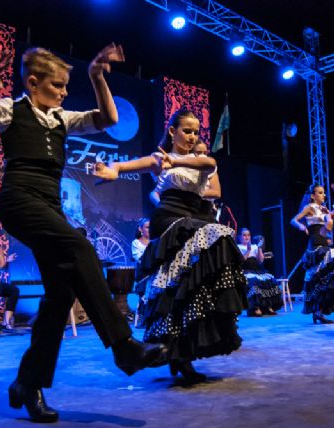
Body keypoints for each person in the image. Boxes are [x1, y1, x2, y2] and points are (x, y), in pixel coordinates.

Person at [0, 44, 165, 422]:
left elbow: (108, 118)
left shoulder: (62, 118)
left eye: (65, 87)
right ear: (33, 82)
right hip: (19, 200)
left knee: (60, 295)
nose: (63, 93)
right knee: (80, 246)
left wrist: (97, 77)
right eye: (57, 86)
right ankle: (124, 345)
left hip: (48, 205)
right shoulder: (10, 110)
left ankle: (28, 383)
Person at [95, 108, 247, 385]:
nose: (191, 136)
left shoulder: (198, 159)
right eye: (186, 130)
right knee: (214, 239)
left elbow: (210, 165)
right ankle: (178, 355)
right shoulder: (159, 158)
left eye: (195, 132)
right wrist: (112, 169)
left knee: (190, 287)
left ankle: (182, 355)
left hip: (196, 215)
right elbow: (128, 165)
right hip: (171, 216)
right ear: (172, 131)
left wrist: (175, 163)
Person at [291, 184, 334, 324]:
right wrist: (301, 226)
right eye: (320, 193)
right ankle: (318, 311)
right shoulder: (309, 208)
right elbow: (293, 220)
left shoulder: (323, 209)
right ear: (313, 195)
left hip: (324, 244)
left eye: (324, 193)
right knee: (319, 277)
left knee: (328, 275)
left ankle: (321, 309)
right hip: (316, 245)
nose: (324, 195)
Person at [236, 228, 282, 317]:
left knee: (270, 281)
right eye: (244, 235)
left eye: (248, 235)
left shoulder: (254, 246)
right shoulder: (238, 247)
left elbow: (260, 260)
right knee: (253, 282)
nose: (246, 237)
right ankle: (255, 308)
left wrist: (259, 248)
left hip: (257, 270)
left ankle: (267, 306)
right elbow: (242, 260)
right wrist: (248, 250)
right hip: (245, 270)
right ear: (239, 237)